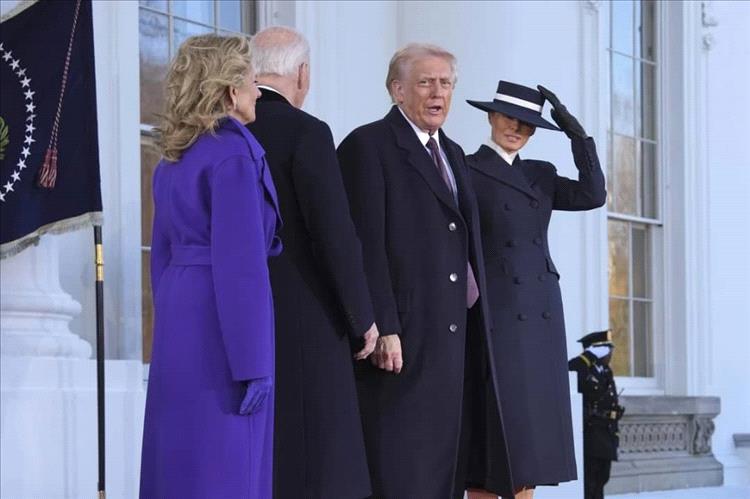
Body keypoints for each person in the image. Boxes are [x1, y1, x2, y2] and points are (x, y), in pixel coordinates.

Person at [337, 43, 513, 499]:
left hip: (454, 340)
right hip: (402, 341)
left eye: (446, 83)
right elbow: (363, 244)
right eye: (425, 83)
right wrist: (384, 325)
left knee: (445, 473)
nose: (438, 93)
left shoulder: (453, 152)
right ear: (397, 90)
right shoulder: (367, 146)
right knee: (403, 469)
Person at [139, 35, 281, 499]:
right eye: (251, 81)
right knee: (227, 457)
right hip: (221, 326)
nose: (258, 91)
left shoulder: (174, 157)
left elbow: (161, 257)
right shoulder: (233, 155)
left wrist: (169, 325)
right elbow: (241, 269)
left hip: (179, 314)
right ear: (230, 91)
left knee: (179, 454)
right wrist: (254, 362)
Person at [245, 26, 379, 499]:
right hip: (305, 318)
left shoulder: (223, 131)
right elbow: (334, 234)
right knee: (319, 465)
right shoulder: (307, 131)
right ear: (302, 73)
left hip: (239, 319)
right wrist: (362, 318)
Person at [464, 81, 607, 498]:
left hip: (541, 309)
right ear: (492, 116)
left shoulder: (540, 174)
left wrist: (577, 135)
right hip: (495, 308)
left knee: (533, 431)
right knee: (497, 423)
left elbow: (593, 194)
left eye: (528, 125)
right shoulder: (466, 168)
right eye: (510, 118)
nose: (517, 129)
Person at [568, 330, 625, 499]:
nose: (610, 355)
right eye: (607, 350)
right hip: (591, 434)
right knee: (590, 481)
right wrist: (587, 357)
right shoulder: (582, 368)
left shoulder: (605, 371)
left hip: (606, 433)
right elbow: (569, 370)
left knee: (602, 478)